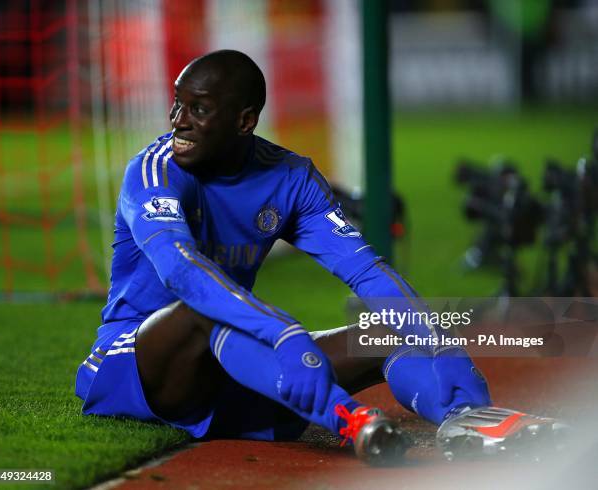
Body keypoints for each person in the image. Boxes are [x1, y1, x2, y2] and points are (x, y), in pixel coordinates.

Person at [75, 50, 566, 465]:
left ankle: (467, 420)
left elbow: (365, 271)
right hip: (135, 366)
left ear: (245, 120)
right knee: (204, 312)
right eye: (177, 104)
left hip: (240, 364)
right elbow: (181, 271)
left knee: (383, 332)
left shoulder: (291, 179)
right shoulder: (153, 171)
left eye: (197, 109)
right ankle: (352, 423)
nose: (178, 121)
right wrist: (284, 335)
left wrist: (435, 342)